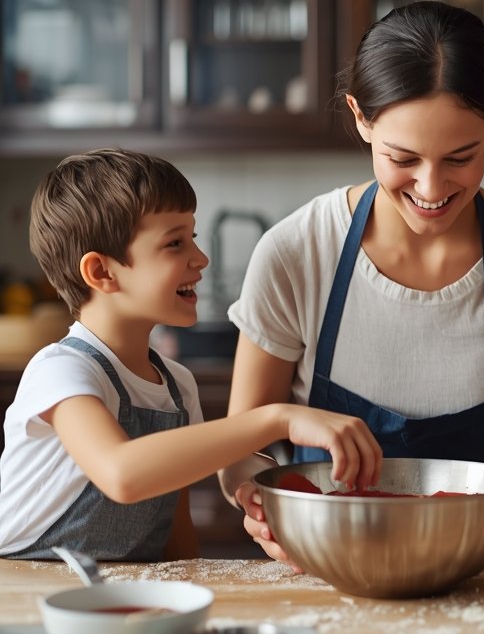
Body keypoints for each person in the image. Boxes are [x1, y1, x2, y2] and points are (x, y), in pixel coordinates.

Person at [220, 1, 484, 562]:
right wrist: (260, 502)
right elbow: (242, 445)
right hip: (326, 561)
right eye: (404, 157)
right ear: (360, 118)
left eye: (461, 157)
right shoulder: (296, 253)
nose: (431, 185)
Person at [0, 148, 382, 561]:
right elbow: (122, 474)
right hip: (21, 595)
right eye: (174, 243)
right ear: (102, 272)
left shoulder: (177, 387)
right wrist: (280, 417)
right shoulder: (62, 371)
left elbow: (174, 533)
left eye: (193, 238)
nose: (200, 259)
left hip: (110, 600)